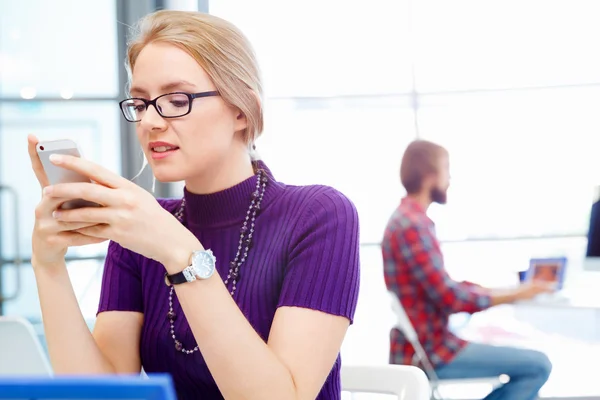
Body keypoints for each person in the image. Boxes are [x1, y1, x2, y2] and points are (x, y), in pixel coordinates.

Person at [27, 10, 360, 400]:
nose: (150, 120)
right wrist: (48, 266)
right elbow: (102, 394)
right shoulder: (143, 232)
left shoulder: (320, 215)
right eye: (141, 102)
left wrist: (181, 255)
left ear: (241, 109)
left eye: (175, 99)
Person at [382, 139, 553, 400]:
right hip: (433, 350)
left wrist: (497, 290)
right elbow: (450, 298)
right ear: (430, 175)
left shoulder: (408, 219)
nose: (449, 178)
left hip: (430, 343)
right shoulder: (412, 225)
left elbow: (441, 288)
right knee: (537, 366)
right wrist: (517, 293)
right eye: (446, 169)